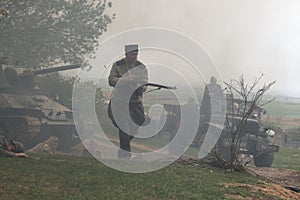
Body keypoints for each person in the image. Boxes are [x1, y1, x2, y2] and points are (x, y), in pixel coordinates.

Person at [108, 44, 148, 159]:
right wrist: (124, 80)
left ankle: (123, 148)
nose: (135, 56)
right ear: (126, 54)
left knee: (139, 122)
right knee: (123, 126)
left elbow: (145, 83)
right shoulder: (118, 65)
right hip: (119, 101)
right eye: (132, 54)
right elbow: (111, 80)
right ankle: (125, 156)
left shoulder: (141, 67)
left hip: (135, 101)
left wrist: (140, 86)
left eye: (136, 54)